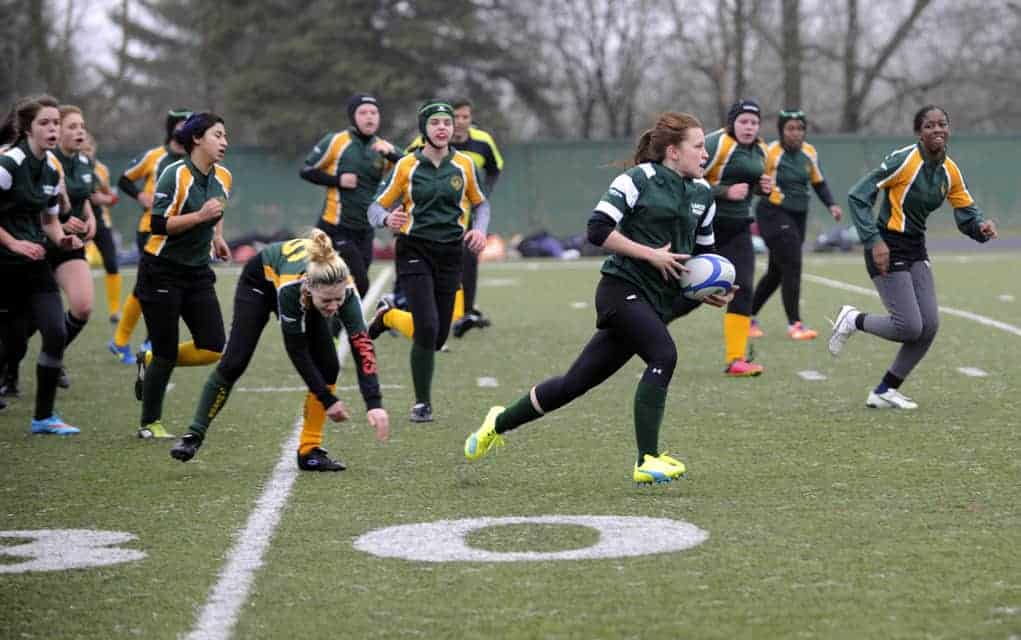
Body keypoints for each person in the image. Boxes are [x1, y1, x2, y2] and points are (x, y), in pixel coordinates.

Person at [463, 112, 733, 484]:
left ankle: (498, 421)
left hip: (657, 301)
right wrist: (649, 253)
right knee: (664, 354)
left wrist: (709, 289)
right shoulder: (638, 179)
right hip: (620, 290)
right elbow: (597, 230)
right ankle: (647, 459)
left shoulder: (704, 194)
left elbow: (703, 258)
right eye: (699, 146)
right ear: (673, 151)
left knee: (574, 384)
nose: (706, 154)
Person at [829, 105, 997, 409]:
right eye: (930, 126)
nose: (937, 130)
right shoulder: (904, 160)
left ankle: (884, 391)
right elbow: (858, 195)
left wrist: (981, 228)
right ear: (919, 133)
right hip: (886, 244)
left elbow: (967, 213)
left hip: (915, 246)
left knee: (929, 326)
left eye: (942, 124)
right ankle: (853, 319)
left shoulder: (950, 170)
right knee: (908, 327)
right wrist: (873, 240)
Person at [367, 100, 489, 422]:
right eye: (434, 122)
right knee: (426, 326)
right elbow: (375, 207)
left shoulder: (464, 164)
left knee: (438, 337)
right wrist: (385, 220)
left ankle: (388, 317)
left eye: (446, 123)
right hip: (414, 249)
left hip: (451, 253)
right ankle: (422, 403)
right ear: (425, 129)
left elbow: (481, 204)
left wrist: (479, 231)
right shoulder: (406, 166)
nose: (442, 128)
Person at [134, 112, 231, 439]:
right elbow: (157, 225)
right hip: (161, 270)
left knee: (214, 345)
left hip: (198, 271)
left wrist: (217, 237)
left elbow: (216, 210)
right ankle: (149, 423)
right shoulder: (173, 175)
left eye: (225, 136)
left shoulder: (224, 177)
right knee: (166, 348)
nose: (224, 142)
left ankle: (148, 360)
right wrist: (199, 216)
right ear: (197, 139)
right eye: (218, 135)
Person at [0, 95, 84, 434]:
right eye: (45, 123)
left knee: (56, 331)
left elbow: (49, 220)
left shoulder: (50, 168)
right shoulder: (9, 166)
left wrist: (62, 237)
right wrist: (13, 242)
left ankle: (44, 417)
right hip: (4, 265)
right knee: (12, 344)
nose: (52, 129)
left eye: (55, 123)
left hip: (34, 264)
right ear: (28, 129)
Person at [406, 97, 504, 337]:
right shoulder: (424, 142)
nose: (460, 122)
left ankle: (466, 313)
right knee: (421, 263)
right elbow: (402, 167)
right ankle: (404, 305)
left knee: (469, 258)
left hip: (464, 216)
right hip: (426, 218)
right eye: (455, 117)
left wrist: (482, 193)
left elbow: (494, 168)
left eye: (465, 117)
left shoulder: (482, 142)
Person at [107, 108, 191, 364]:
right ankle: (121, 341)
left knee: (166, 287)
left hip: (180, 231)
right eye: (182, 123)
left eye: (190, 123)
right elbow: (124, 180)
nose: (186, 127)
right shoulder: (154, 156)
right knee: (148, 286)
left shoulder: (193, 158)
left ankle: (148, 340)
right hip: (150, 230)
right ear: (172, 127)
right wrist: (140, 196)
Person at [749, 109, 842, 340]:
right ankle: (795, 324)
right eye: (790, 128)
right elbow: (755, 179)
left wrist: (832, 204)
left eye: (800, 128)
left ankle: (746, 316)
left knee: (776, 272)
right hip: (773, 213)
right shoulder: (771, 152)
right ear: (781, 130)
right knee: (792, 264)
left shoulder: (810, 152)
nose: (796, 133)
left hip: (798, 216)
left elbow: (819, 183)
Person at [300, 93, 401, 297]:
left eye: (374, 112)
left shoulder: (384, 147)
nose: (369, 117)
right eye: (363, 112)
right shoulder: (336, 141)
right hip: (336, 228)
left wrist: (391, 154)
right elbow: (306, 170)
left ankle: (331, 325)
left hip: (365, 229)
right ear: (353, 117)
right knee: (359, 282)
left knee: (355, 289)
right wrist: (337, 180)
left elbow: (413, 169)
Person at [703, 99, 773, 376]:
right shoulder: (715, 143)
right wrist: (724, 192)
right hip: (705, 226)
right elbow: (686, 180)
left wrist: (762, 188)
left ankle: (736, 359)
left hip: (739, 226)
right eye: (743, 121)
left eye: (754, 122)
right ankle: (641, 333)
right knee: (687, 295)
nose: (749, 127)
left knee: (743, 287)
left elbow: (753, 187)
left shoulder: (762, 150)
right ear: (732, 122)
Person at [82, 133, 123, 325]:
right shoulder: (69, 167)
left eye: (89, 149)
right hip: (77, 223)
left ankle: (115, 310)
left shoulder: (101, 170)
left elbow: (113, 198)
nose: (86, 153)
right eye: (83, 149)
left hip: (101, 223)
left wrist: (102, 199)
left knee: (111, 263)